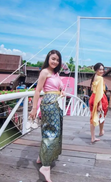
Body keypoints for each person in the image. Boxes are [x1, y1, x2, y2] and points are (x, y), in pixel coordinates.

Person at [29, 50, 65, 182]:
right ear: (48, 59)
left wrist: (62, 92)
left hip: (56, 103)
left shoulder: (56, 73)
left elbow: (59, 87)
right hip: (49, 103)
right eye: (53, 59)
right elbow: (38, 90)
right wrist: (34, 108)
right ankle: (45, 166)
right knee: (52, 132)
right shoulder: (44, 72)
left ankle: (42, 157)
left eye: (57, 60)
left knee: (50, 130)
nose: (55, 61)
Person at [89, 63, 109, 143]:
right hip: (99, 98)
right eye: (100, 69)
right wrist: (100, 104)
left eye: (102, 69)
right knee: (101, 115)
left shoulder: (94, 76)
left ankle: (93, 136)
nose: (102, 71)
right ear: (96, 70)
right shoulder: (100, 78)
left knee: (93, 117)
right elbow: (99, 92)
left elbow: (92, 89)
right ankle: (100, 132)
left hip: (93, 97)